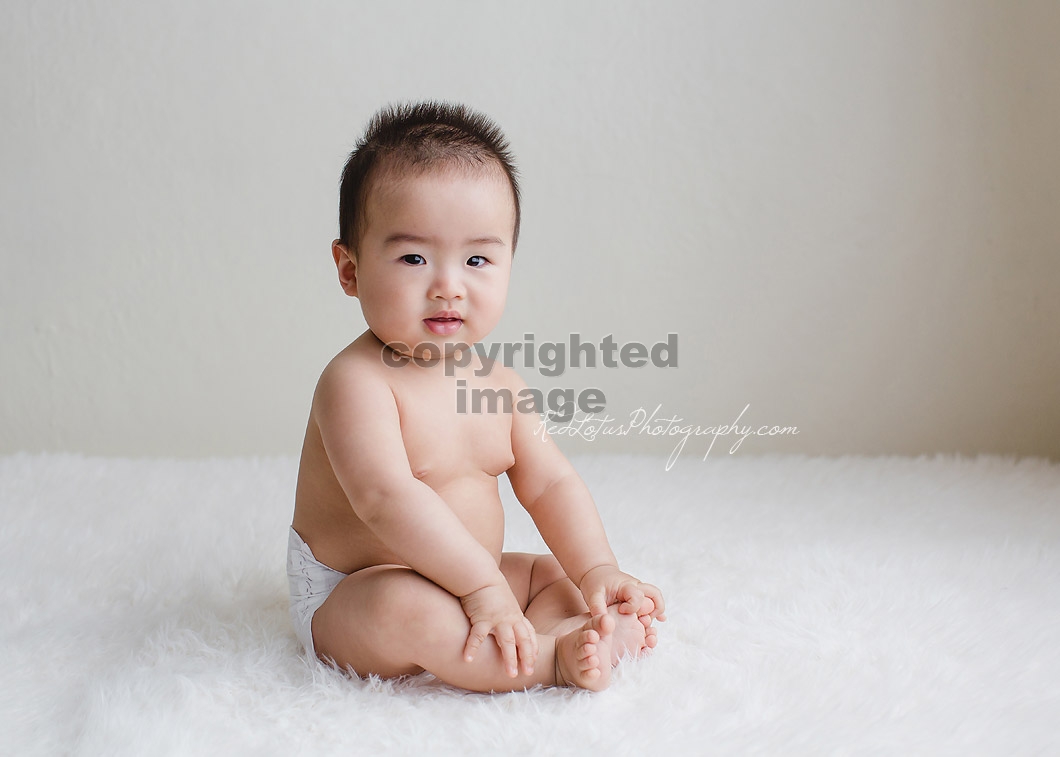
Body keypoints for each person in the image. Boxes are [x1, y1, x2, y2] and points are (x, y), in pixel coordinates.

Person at [287, 101, 665, 692]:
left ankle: (561, 628)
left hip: (474, 578)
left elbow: (551, 484)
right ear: (350, 269)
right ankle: (548, 662)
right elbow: (385, 498)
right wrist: (482, 590)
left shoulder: (502, 389)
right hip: (355, 592)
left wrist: (597, 569)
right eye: (414, 257)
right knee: (406, 609)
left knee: (549, 578)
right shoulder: (355, 383)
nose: (448, 285)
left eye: (477, 258)